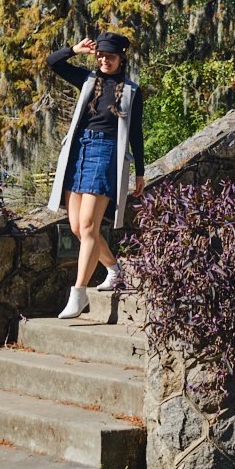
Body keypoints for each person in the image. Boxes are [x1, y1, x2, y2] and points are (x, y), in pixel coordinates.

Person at [46, 31, 146, 319]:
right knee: (78, 228)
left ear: (122, 58)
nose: (104, 60)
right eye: (101, 55)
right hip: (78, 151)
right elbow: (53, 63)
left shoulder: (131, 91)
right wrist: (75, 50)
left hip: (106, 154)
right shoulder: (88, 80)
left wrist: (140, 172)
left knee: (89, 226)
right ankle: (115, 269)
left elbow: (136, 134)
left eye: (110, 56)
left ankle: (79, 294)